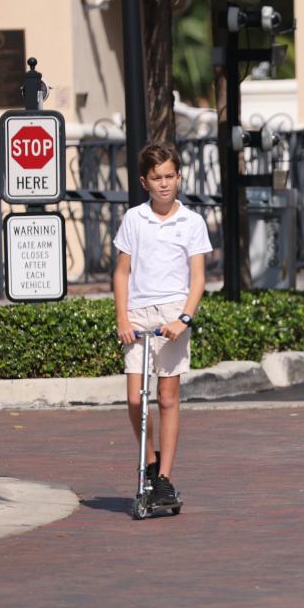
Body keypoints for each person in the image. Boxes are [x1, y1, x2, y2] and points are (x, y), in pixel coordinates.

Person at [113, 141, 212, 507]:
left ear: (179, 177)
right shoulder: (134, 220)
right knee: (134, 398)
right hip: (138, 314)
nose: (164, 184)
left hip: (173, 313)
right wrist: (122, 317)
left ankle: (166, 478)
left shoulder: (192, 222)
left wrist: (183, 318)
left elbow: (198, 277)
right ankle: (150, 461)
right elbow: (122, 272)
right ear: (145, 182)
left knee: (167, 397)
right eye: (157, 178)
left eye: (170, 176)